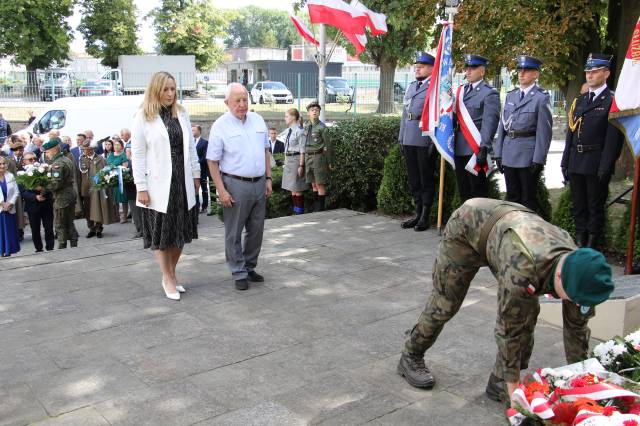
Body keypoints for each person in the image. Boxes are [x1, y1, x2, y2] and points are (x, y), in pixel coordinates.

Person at [397, 198, 614, 406]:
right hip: (467, 227)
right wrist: (516, 395)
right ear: (559, 277)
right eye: (573, 298)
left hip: (506, 231)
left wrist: (583, 382)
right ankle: (411, 354)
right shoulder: (523, 266)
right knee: (446, 303)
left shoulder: (584, 272)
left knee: (528, 312)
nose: (576, 303)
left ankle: (498, 381)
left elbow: (577, 328)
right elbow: (508, 328)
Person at [131, 71, 200, 301]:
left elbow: (190, 146)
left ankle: (170, 274)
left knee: (180, 232)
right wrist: (141, 186)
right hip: (159, 183)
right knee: (162, 233)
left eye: (173, 89)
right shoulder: (143, 115)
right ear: (156, 89)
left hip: (183, 181)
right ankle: (168, 277)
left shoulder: (181, 112)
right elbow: (138, 155)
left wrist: (196, 174)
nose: (170, 94)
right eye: (166, 89)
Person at [207, 83, 272, 291]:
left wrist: (269, 178)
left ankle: (250, 266)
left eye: (245, 99)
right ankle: (238, 272)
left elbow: (265, 151)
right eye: (237, 101)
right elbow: (212, 161)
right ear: (227, 103)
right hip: (235, 184)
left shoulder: (258, 120)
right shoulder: (220, 126)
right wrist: (221, 190)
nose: (242, 104)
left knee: (256, 230)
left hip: (259, 182)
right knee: (233, 232)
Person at [561, 54, 624, 249]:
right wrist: (565, 162)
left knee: (595, 205)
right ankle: (580, 239)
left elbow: (613, 140)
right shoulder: (580, 101)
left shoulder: (611, 101)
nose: (590, 75)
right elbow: (571, 134)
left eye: (595, 71)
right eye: (588, 72)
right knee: (579, 204)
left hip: (596, 161)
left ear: (606, 73)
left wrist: (606, 166)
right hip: (577, 160)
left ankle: (593, 242)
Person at [494, 55, 553, 212]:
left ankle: (528, 232)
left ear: (536, 74)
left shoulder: (541, 98)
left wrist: (539, 159)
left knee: (527, 199)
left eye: (526, 71)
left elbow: (544, 132)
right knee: (512, 197)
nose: (521, 74)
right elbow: (503, 126)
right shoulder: (510, 95)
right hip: (509, 152)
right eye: (520, 70)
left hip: (527, 154)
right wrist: (498, 153)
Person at [453, 54, 500, 203]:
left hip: (475, 149)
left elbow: (490, 122)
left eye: (472, 68)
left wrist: (484, 147)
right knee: (463, 190)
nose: (468, 71)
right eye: (466, 68)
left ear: (482, 71)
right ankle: (466, 224)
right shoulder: (460, 91)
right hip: (459, 147)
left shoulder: (489, 93)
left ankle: (479, 226)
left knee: (477, 192)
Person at [399, 52, 438, 231]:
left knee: (425, 179)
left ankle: (425, 215)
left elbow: (438, 116)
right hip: (409, 137)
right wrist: (401, 137)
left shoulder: (435, 88)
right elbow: (404, 114)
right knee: (414, 179)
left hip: (424, 138)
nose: (417, 68)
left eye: (421, 66)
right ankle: (417, 212)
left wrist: (432, 142)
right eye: (416, 66)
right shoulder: (412, 87)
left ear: (431, 68)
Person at [43, 137, 78, 249]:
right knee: (69, 221)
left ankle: (62, 246)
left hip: (62, 197)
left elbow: (56, 184)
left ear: (54, 150)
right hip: (70, 194)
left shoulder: (57, 164)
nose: (46, 155)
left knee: (60, 224)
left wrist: (42, 187)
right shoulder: (66, 159)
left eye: (47, 152)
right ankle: (74, 245)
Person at [79, 140, 117, 238]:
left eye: (86, 149)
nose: (84, 151)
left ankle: (99, 228)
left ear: (91, 149)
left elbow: (106, 173)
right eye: (83, 149)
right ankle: (91, 228)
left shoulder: (101, 159)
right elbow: (79, 175)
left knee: (99, 209)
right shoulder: (81, 159)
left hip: (98, 189)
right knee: (88, 209)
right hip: (86, 189)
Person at [19, 152, 54, 252]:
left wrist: (44, 189)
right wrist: (35, 197)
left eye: (34, 158)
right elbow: (22, 192)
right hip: (32, 205)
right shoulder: (21, 174)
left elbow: (51, 184)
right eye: (30, 159)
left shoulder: (43, 170)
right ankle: (39, 248)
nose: (33, 161)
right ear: (24, 162)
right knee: (35, 229)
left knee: (48, 227)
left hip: (46, 203)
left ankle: (50, 247)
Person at [302, 101, 330, 212]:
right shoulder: (306, 126)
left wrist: (329, 161)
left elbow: (328, 145)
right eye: (312, 110)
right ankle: (316, 207)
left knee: (319, 183)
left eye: (317, 110)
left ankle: (321, 209)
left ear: (319, 113)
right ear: (308, 113)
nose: (314, 112)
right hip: (308, 157)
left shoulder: (322, 128)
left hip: (318, 157)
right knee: (313, 183)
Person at [281, 108, 308, 214]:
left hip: (296, 160)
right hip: (288, 160)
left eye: (286, 116)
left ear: (293, 117)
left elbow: (302, 150)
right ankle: (295, 210)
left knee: (297, 187)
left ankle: (299, 212)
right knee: (291, 187)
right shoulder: (288, 130)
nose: (285, 119)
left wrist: (301, 165)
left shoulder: (300, 131)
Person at [122, 128, 142, 238]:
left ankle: (142, 230)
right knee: (135, 212)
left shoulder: (137, 162)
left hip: (138, 191)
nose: (128, 153)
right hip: (131, 191)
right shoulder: (127, 163)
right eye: (127, 152)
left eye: (129, 152)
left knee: (139, 212)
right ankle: (140, 230)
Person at [0, 156, 20, 257]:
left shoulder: (10, 176)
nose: (2, 166)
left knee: (9, 232)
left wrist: (11, 203)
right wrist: (2, 203)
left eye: (4, 163)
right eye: (0, 164)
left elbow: (16, 191)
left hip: (9, 209)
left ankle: (8, 251)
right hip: (0, 209)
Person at [107, 139, 130, 223]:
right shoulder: (111, 155)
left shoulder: (123, 155)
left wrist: (118, 171)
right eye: (115, 145)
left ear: (122, 146)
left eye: (118, 145)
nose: (116, 146)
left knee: (123, 199)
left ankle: (124, 216)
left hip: (121, 180)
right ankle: (116, 216)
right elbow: (108, 165)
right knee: (114, 199)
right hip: (112, 180)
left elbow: (125, 168)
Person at [193, 125, 210, 214]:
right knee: (195, 188)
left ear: (199, 131)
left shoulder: (204, 142)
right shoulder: (190, 142)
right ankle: (197, 206)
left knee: (204, 188)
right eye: (191, 130)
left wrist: (196, 163)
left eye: (194, 130)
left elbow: (204, 157)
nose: (192, 132)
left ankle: (204, 206)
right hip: (193, 170)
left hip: (202, 169)